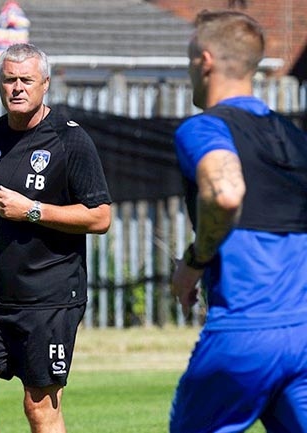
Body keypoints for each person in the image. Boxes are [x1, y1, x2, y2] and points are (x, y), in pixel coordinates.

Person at [0, 43, 112, 433]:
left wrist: (31, 209)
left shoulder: (71, 141)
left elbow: (101, 217)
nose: (17, 88)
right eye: (9, 80)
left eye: (26, 80)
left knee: (39, 409)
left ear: (45, 84)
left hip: (50, 300)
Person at [170, 10, 307, 433]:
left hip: (244, 335)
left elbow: (226, 193)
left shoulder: (205, 128)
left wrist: (194, 261)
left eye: (191, 58)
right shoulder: (294, 137)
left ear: (205, 61)